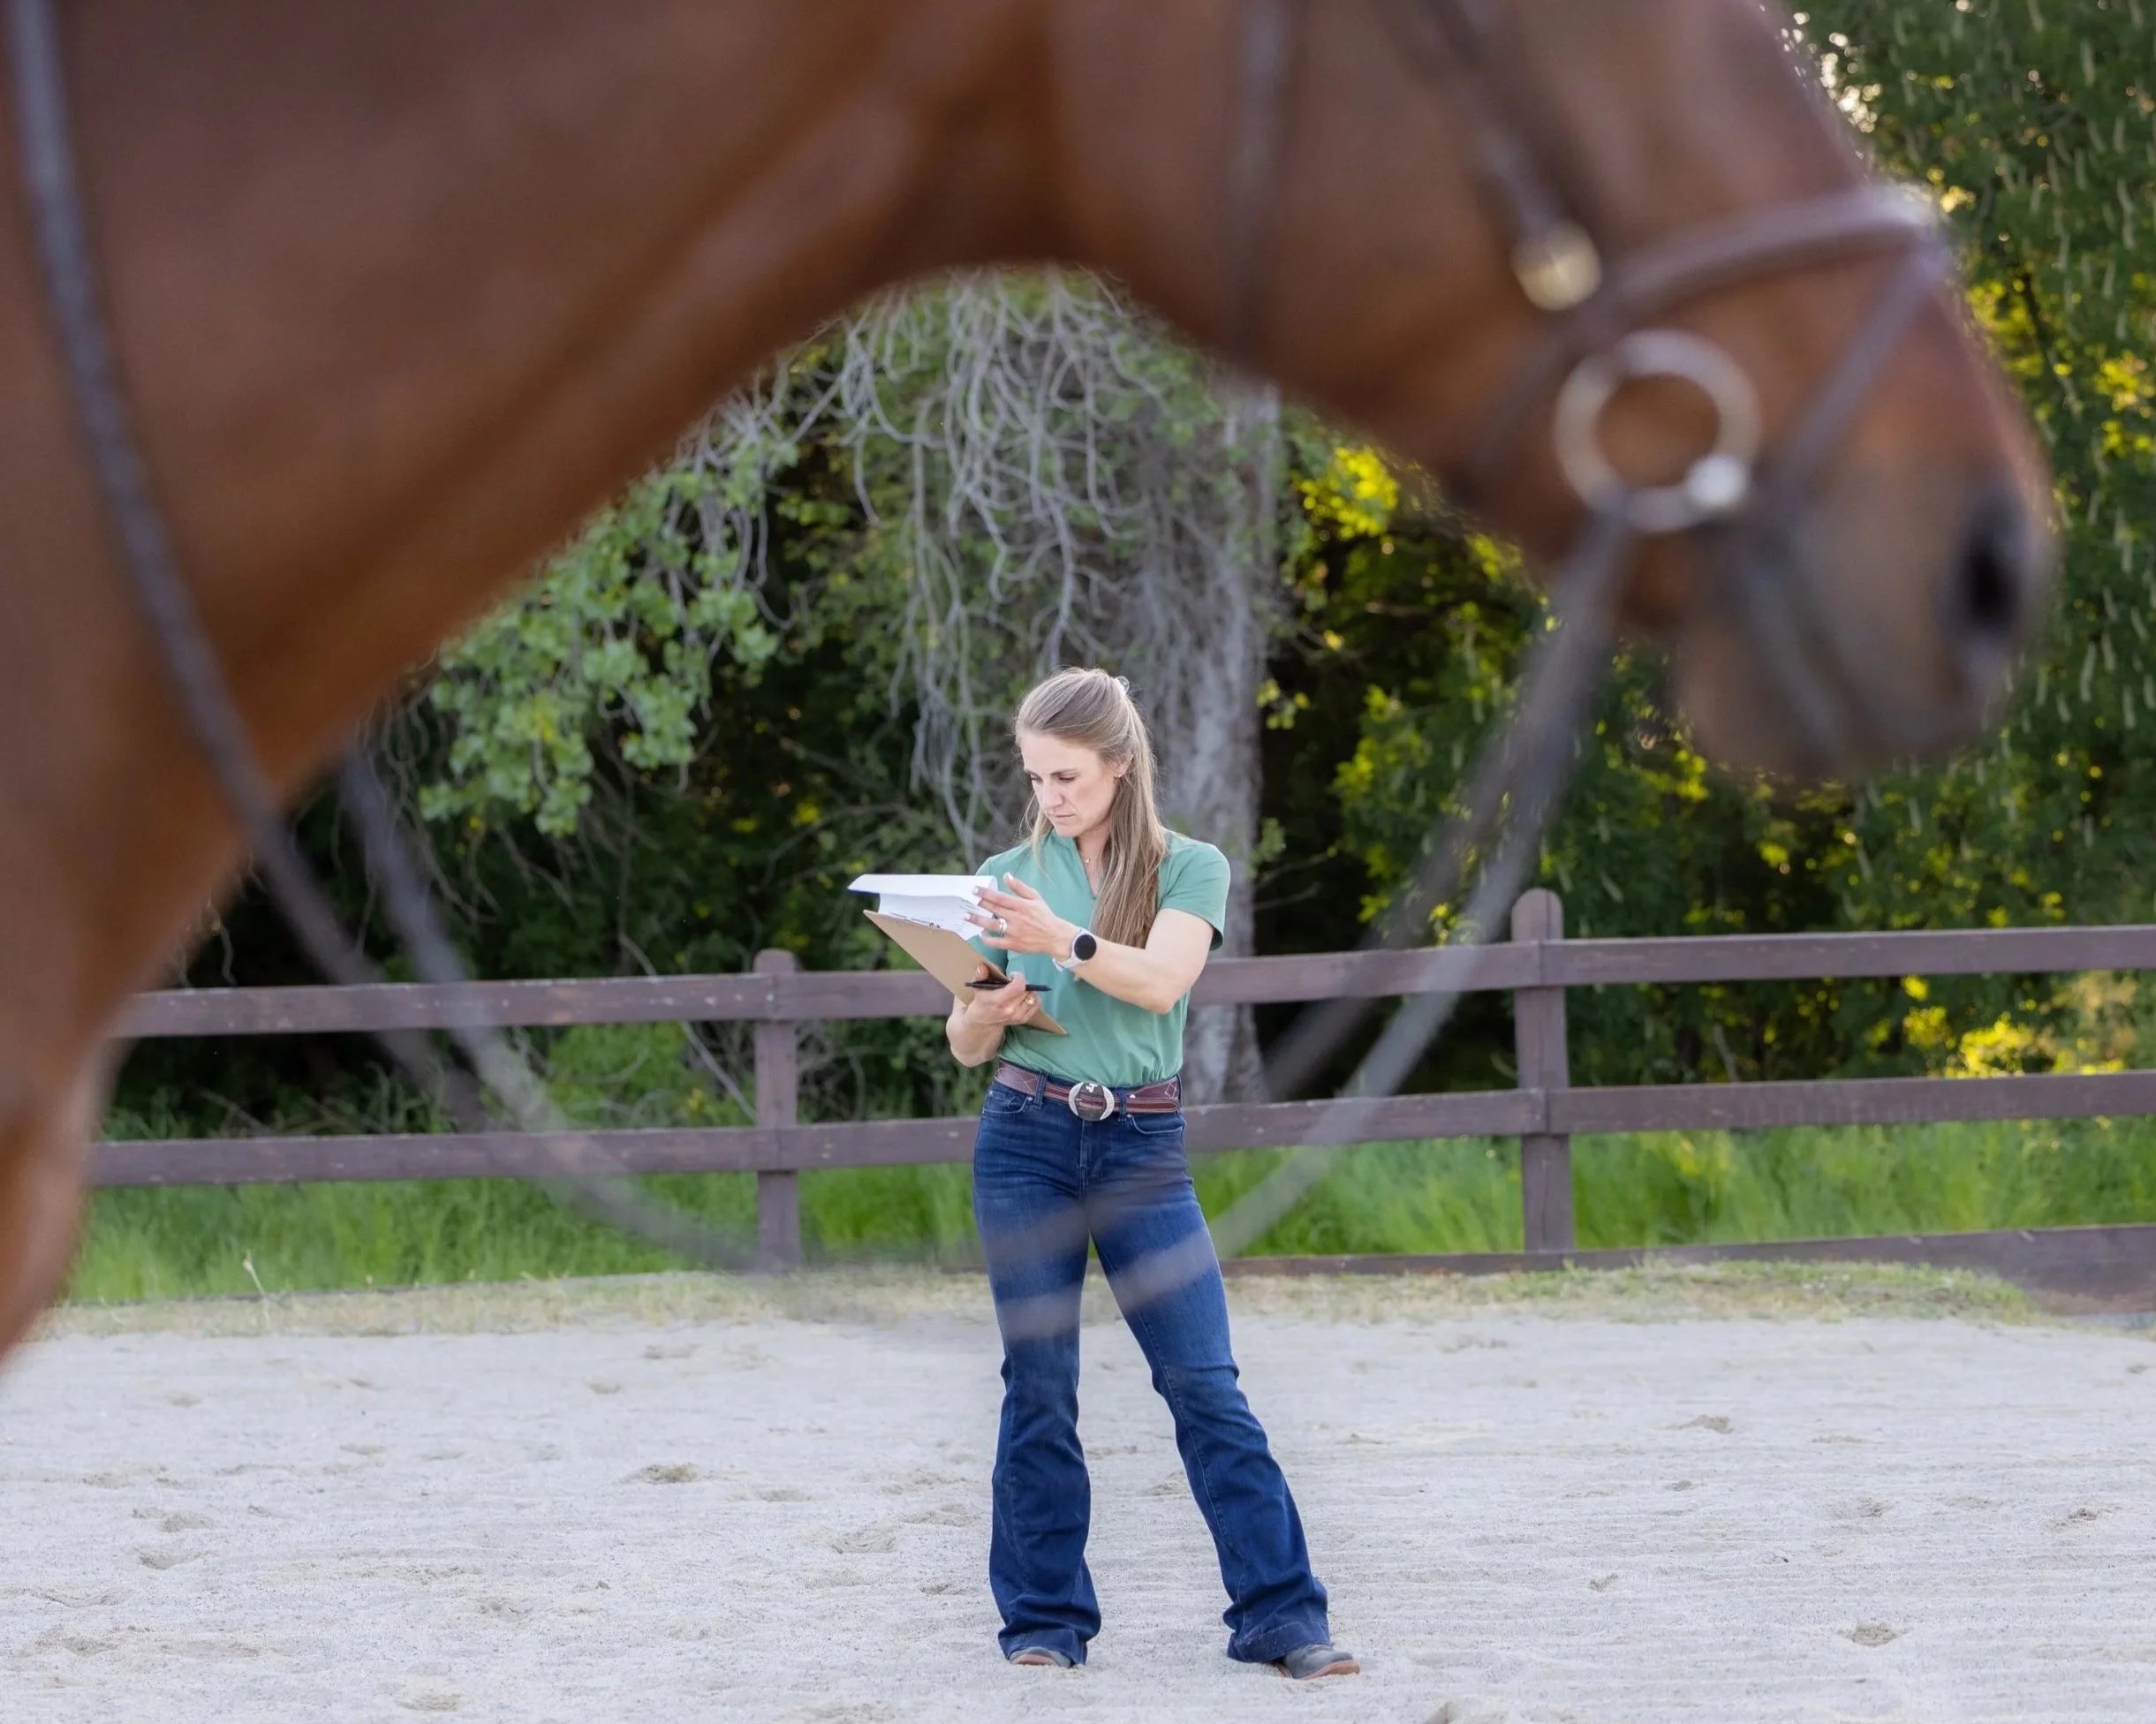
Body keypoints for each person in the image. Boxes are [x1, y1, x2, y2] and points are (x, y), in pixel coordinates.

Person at [944, 667, 1356, 1680]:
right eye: (1035, 775)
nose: (1050, 795)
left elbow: (1162, 978)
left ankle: (1279, 1614)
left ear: (1120, 767)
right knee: (1037, 1384)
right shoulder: (1004, 872)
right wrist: (982, 1011)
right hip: (1024, 1136)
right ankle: (1043, 1621)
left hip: (1141, 1147)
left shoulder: (1188, 867)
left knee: (1203, 1381)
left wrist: (1061, 939)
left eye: (1068, 775)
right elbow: (960, 1037)